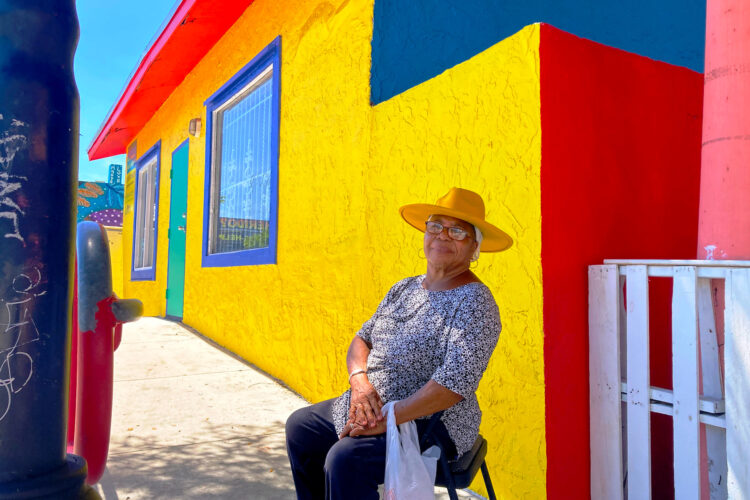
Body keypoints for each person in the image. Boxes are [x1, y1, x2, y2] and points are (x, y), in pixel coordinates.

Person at [285, 187, 512, 500]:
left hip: (431, 421)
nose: (443, 236)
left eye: (457, 231)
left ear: (475, 247)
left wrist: (388, 417)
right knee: (301, 428)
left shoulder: (476, 301)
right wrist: (361, 384)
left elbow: (454, 385)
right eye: (435, 226)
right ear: (425, 235)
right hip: (373, 403)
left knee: (346, 459)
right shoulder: (404, 288)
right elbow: (362, 338)